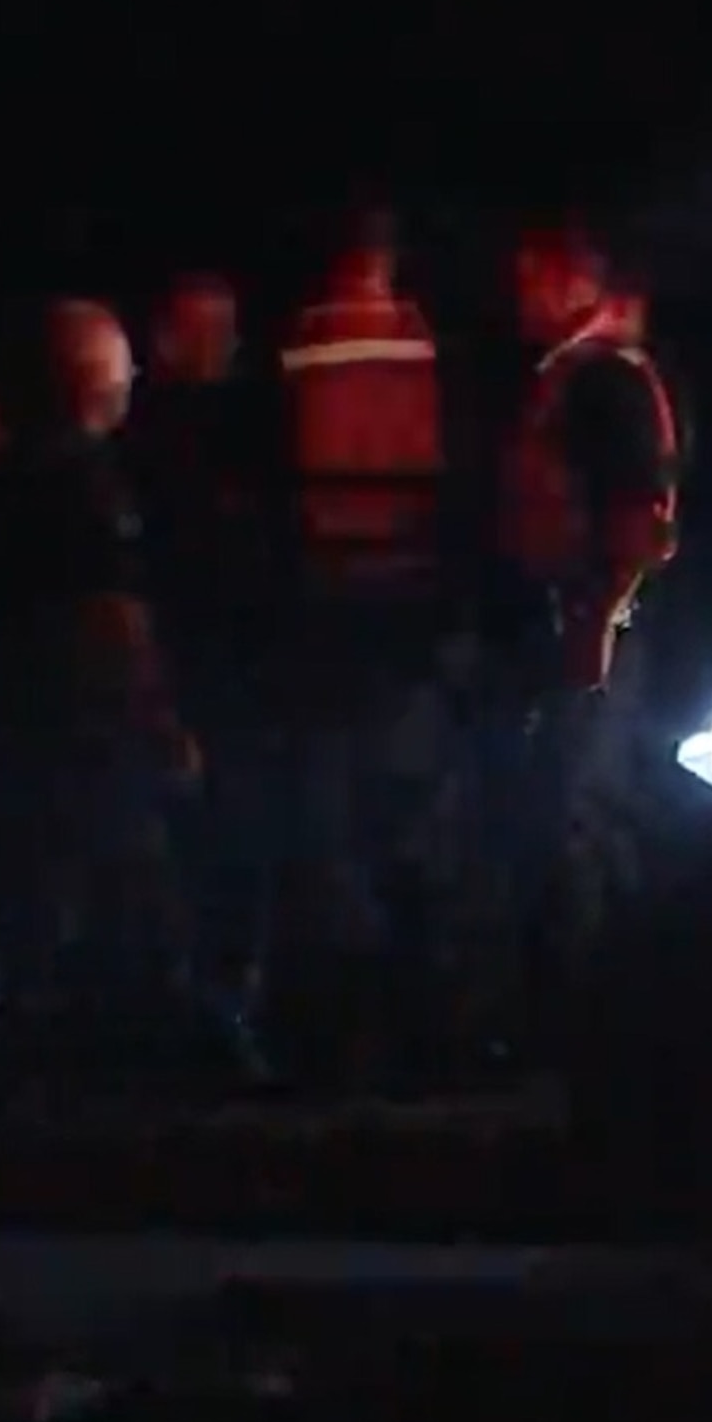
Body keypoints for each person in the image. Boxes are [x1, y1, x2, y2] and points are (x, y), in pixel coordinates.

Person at [0, 300, 213, 1090]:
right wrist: (160, 722)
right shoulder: (87, 484)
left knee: (39, 905)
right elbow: (112, 620)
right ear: (94, 378)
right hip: (86, 735)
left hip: (21, 731)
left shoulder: (10, 475)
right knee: (138, 892)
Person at [487, 222, 682, 1055]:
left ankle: (593, 1016)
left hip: (594, 631)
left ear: (573, 281)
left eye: (533, 282)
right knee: (569, 810)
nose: (518, 301)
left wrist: (601, 626)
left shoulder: (606, 382)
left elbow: (641, 521)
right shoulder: (576, 378)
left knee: (581, 813)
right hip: (573, 624)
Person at [272, 211, 454, 1083]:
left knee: (329, 819)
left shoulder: (307, 337)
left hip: (322, 607)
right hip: (405, 608)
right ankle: (414, 1025)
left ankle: (337, 1029)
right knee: (403, 818)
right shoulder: (420, 337)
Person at [122, 271, 283, 1047]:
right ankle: (189, 1009)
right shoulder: (147, 439)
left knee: (238, 838)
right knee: (186, 838)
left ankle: (226, 1004)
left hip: (239, 662)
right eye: (202, 330)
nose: (221, 347)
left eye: (228, 329)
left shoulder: (247, 429)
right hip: (178, 660)